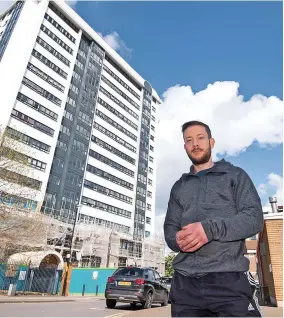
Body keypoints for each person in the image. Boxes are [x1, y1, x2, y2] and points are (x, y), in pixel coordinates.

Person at [164, 120, 264, 317]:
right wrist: (177, 239)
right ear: (185, 146)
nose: (195, 144)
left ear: (211, 141)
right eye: (189, 140)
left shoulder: (235, 175)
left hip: (229, 281)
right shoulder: (178, 186)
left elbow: (254, 218)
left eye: (200, 138)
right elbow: (169, 230)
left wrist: (209, 229)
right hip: (185, 286)